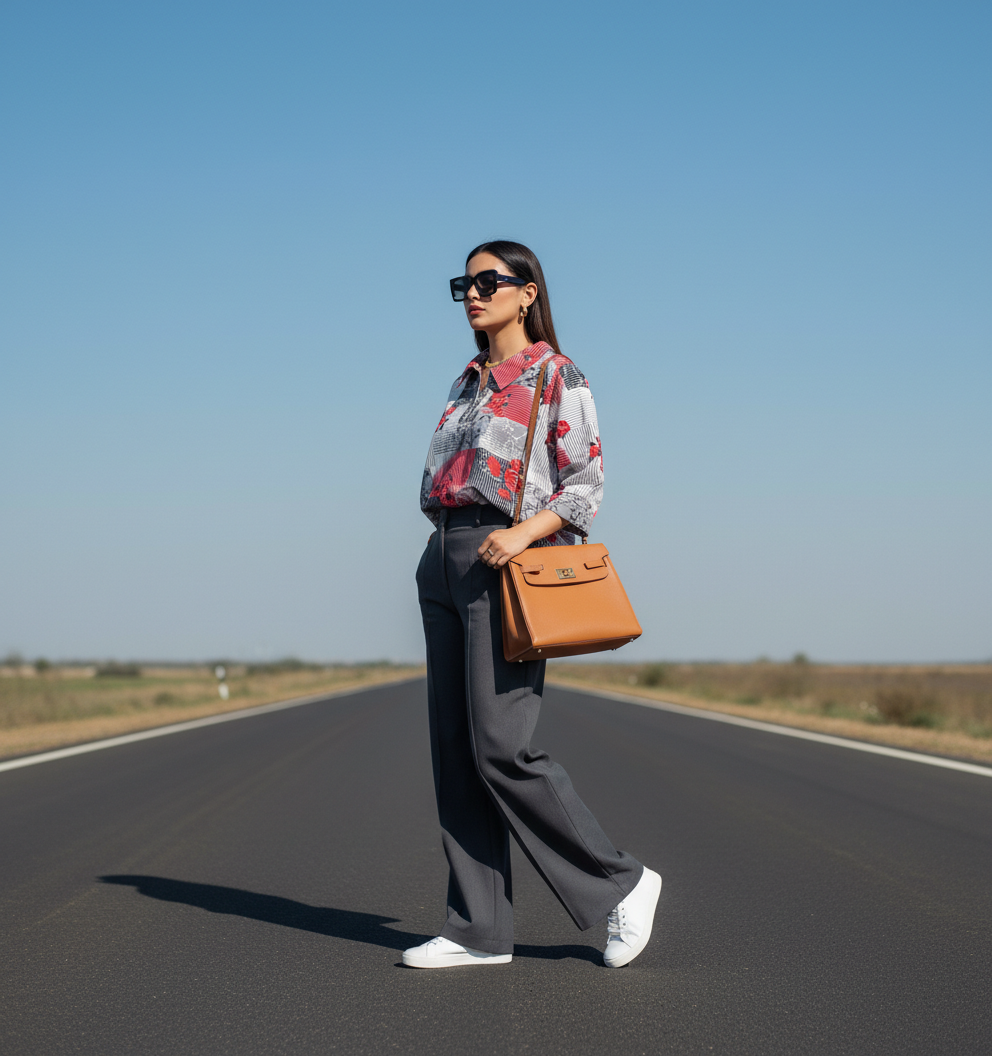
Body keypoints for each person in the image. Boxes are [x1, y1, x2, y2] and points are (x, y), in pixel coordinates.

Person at [405, 240, 661, 970]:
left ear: (527, 293)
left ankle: (622, 883)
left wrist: (521, 535)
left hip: (507, 558)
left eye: (489, 282)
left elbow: (585, 484)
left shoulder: (556, 373)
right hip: (444, 556)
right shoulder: (466, 381)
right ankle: (477, 930)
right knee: (455, 751)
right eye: (464, 284)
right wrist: (440, 551)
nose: (473, 294)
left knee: (501, 747)